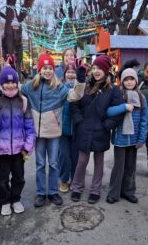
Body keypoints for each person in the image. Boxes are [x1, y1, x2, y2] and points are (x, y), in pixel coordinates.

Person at [19, 53, 86, 207]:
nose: (48, 71)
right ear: (39, 69)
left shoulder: (59, 87)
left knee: (54, 163)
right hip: (38, 133)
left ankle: (54, 192)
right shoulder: (32, 86)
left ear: (54, 70)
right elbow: (15, 88)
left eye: (50, 68)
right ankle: (41, 193)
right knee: (40, 163)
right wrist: (6, 75)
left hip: (54, 132)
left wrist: (80, 80)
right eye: (45, 68)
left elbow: (75, 95)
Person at [70, 55, 125, 204]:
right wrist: (78, 120)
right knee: (82, 160)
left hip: (101, 130)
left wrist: (107, 125)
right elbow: (74, 104)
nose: (96, 71)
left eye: (99, 68)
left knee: (98, 162)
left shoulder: (113, 90)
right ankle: (77, 187)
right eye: (94, 68)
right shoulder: (85, 85)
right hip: (84, 129)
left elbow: (118, 111)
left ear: (106, 70)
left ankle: (95, 190)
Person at [0, 67, 36, 216]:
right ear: (2, 83)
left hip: (20, 148)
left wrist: (28, 144)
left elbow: (29, 125)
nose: (10, 86)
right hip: (1, 148)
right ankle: (5, 201)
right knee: (2, 178)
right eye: (7, 82)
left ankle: (15, 199)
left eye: (13, 83)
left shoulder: (23, 101)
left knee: (19, 176)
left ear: (17, 83)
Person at [106, 68, 148, 204]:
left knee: (130, 167)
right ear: (122, 81)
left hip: (134, 138)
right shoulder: (118, 94)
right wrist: (124, 107)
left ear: (136, 80)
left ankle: (128, 192)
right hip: (120, 138)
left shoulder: (141, 97)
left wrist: (142, 138)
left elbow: (144, 119)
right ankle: (113, 193)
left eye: (132, 79)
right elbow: (109, 111)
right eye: (126, 79)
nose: (129, 82)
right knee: (119, 167)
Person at [58, 61, 79, 193]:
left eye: (73, 72)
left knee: (76, 157)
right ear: (65, 74)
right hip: (63, 129)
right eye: (68, 72)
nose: (71, 75)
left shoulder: (82, 87)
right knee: (64, 156)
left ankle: (75, 180)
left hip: (77, 129)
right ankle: (64, 180)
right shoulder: (59, 87)